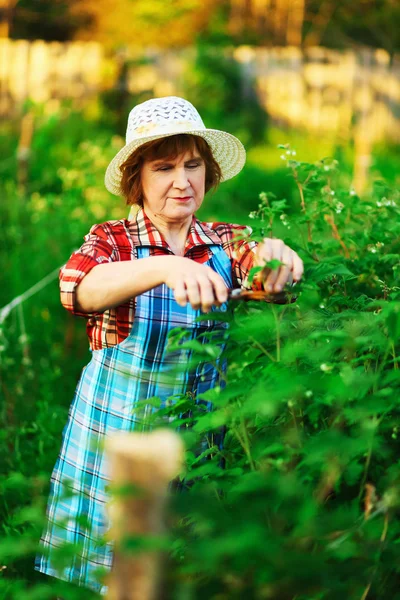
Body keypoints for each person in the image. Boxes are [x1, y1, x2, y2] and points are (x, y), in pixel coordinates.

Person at [35, 96, 303, 594]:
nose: (183, 181)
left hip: (195, 438)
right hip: (119, 438)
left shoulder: (223, 240)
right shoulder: (113, 242)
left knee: (178, 571)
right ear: (137, 179)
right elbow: (77, 289)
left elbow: (263, 272)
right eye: (165, 168)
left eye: (193, 165)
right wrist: (165, 266)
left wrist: (277, 260)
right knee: (113, 569)